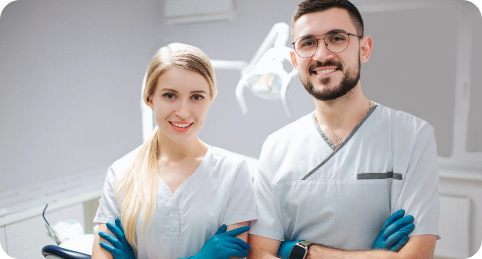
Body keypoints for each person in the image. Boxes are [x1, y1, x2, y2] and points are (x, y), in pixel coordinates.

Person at [248, 0, 440, 258]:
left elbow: (415, 257)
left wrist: (302, 251)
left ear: (365, 49)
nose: (321, 55)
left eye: (336, 38)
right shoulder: (276, 146)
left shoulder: (412, 136)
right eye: (308, 43)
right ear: (294, 60)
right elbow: (259, 255)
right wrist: (373, 255)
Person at [91, 43, 257, 259]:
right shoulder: (122, 172)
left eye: (196, 97)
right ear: (150, 99)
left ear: (210, 101)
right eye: (170, 95)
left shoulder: (233, 172)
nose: (183, 112)